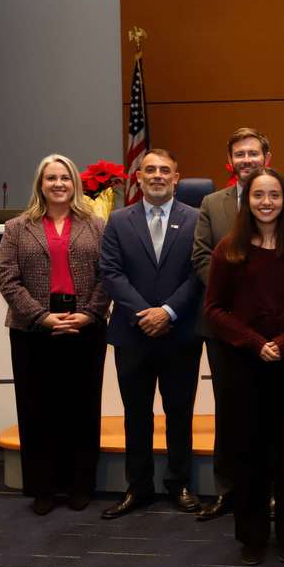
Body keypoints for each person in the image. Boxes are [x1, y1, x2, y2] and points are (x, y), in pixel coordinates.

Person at [204, 167, 284, 565]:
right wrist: (257, 344)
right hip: (244, 362)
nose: (267, 202)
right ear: (247, 200)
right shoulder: (228, 249)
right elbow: (215, 310)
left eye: (274, 195)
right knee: (248, 449)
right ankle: (252, 535)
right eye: (259, 195)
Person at [192, 127, 284, 522]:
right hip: (226, 330)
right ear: (230, 160)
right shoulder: (211, 203)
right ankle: (229, 490)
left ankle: (272, 493)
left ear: (266, 157)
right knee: (231, 413)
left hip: (277, 332)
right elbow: (202, 257)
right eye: (239, 154)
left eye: (253, 153)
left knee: (275, 417)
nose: (246, 160)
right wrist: (237, 306)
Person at [0, 154, 110, 515]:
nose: (59, 184)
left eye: (65, 177)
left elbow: (108, 274)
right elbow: (8, 280)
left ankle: (79, 484)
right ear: (40, 184)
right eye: (51, 178)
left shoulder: (95, 225)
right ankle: (43, 488)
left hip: (84, 329)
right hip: (32, 332)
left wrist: (89, 314)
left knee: (81, 407)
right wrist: (42, 317)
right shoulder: (17, 227)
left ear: (75, 183)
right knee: (37, 408)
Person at [99, 149, 203, 519]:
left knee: (180, 412)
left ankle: (179, 483)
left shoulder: (197, 219)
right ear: (138, 178)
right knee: (136, 414)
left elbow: (199, 273)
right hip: (133, 332)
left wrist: (168, 311)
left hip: (180, 333)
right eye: (150, 170)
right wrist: (145, 313)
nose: (157, 176)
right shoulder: (117, 221)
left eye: (165, 170)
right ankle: (138, 487)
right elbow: (111, 273)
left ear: (176, 178)